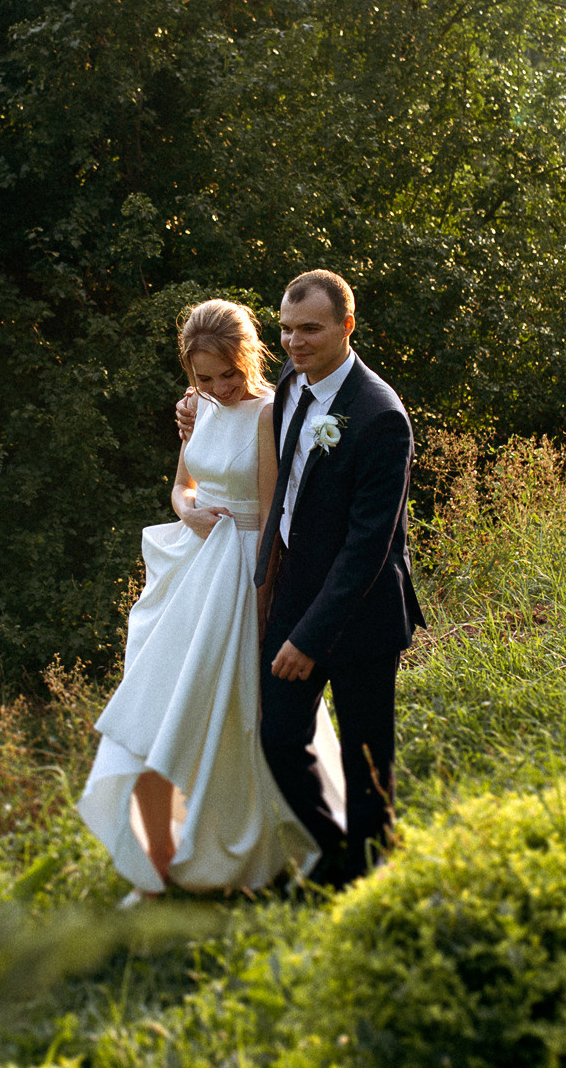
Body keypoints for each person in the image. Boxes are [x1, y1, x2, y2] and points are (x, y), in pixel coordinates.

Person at [77, 300, 343, 896]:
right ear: (190, 374)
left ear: (247, 356)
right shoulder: (195, 408)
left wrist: (264, 610)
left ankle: (267, 855)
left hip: (246, 578)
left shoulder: (270, 413)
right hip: (194, 575)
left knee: (237, 723)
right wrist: (191, 514)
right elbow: (180, 488)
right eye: (205, 377)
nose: (219, 387)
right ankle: (156, 872)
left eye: (228, 373)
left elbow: (275, 521)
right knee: (151, 717)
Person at [174, 269, 424, 886]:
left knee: (367, 760)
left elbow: (369, 548)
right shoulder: (289, 385)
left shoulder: (380, 415)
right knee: (280, 736)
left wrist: (308, 638)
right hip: (292, 593)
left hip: (359, 610)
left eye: (309, 329)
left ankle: (372, 880)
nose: (294, 341)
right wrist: (193, 406)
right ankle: (336, 853)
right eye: (286, 329)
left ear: (347, 324)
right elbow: (243, 416)